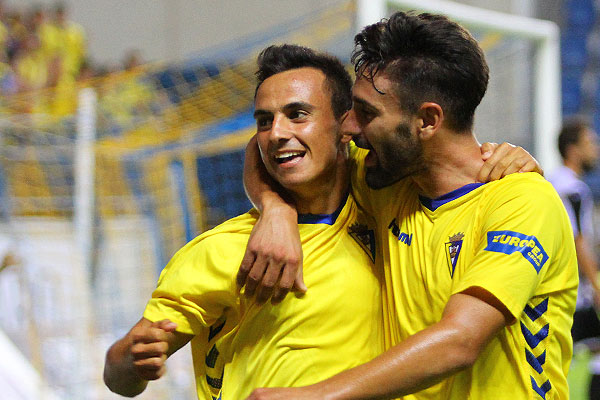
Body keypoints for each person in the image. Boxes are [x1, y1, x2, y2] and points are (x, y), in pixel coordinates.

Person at [241, 12, 577, 400]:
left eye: (366, 113)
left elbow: (460, 341)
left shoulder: (521, 200)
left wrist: (314, 396)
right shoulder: (385, 182)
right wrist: (275, 211)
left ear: (427, 120)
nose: (348, 128)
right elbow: (268, 147)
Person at [103, 44, 386, 399]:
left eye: (297, 114)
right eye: (265, 121)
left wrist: (479, 161)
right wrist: (133, 359)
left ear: (347, 125)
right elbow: (118, 375)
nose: (277, 133)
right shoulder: (223, 249)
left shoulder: (387, 202)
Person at [548, 118, 600, 400]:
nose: (596, 149)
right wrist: (595, 286)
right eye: (590, 143)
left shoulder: (551, 181)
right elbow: (577, 239)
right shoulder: (573, 189)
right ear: (573, 149)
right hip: (575, 292)